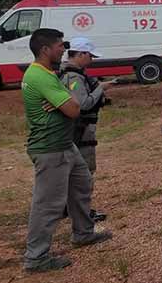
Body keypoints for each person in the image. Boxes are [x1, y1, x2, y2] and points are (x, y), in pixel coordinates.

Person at [22, 29, 112, 273]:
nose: (64, 50)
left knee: (82, 185)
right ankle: (36, 257)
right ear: (45, 50)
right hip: (51, 148)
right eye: (60, 46)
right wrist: (65, 103)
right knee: (48, 204)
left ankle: (83, 233)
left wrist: (61, 103)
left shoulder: (49, 74)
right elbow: (74, 109)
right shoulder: (40, 77)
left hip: (65, 145)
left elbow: (69, 105)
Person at [59, 38, 112, 222]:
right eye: (90, 56)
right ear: (80, 54)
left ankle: (70, 208)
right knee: (84, 174)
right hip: (81, 133)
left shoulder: (74, 74)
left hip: (78, 131)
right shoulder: (73, 77)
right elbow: (83, 104)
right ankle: (81, 213)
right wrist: (100, 89)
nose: (92, 60)